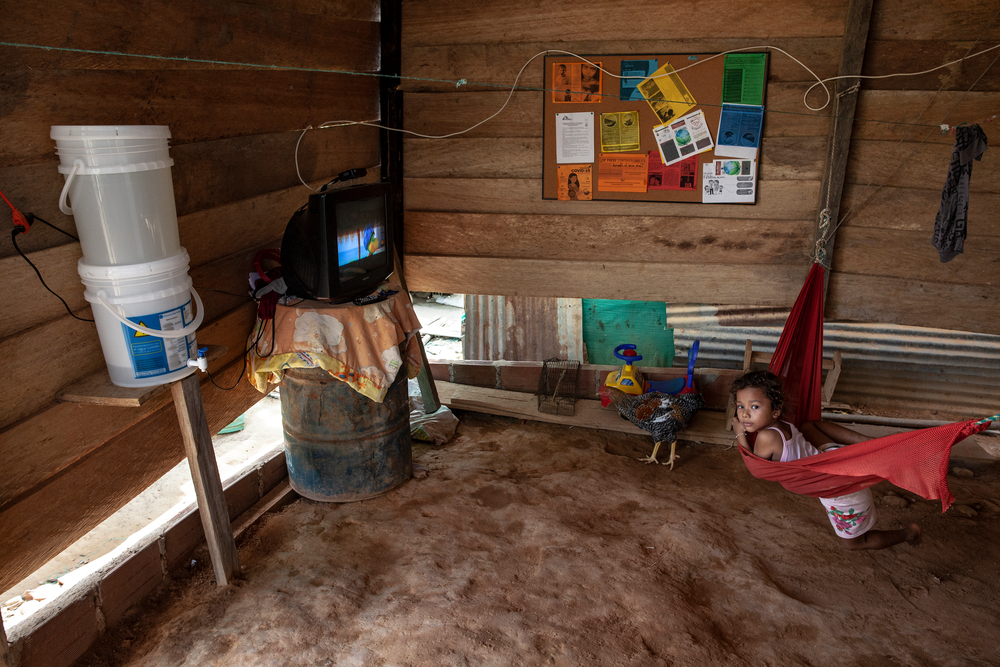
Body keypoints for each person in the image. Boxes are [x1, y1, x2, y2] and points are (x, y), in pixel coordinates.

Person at [730, 369, 922, 551]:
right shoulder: (783, 424)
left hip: (840, 491)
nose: (745, 414)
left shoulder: (766, 437)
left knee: (855, 543)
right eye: (740, 406)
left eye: (754, 406)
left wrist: (740, 435)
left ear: (775, 411)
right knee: (807, 425)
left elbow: (756, 467)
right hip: (832, 460)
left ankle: (909, 533)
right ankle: (868, 443)